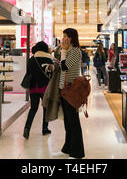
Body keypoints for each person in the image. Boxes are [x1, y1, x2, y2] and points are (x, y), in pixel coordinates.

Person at [54, 28, 85, 159]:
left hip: (71, 89)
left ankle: (77, 152)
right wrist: (62, 50)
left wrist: (64, 52)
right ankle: (68, 147)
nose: (63, 38)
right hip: (64, 89)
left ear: (71, 38)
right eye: (63, 36)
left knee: (73, 121)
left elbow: (64, 66)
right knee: (67, 121)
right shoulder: (67, 50)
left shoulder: (75, 51)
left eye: (66, 36)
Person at [23, 41, 54, 139]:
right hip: (44, 87)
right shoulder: (49, 59)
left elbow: (28, 72)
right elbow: (51, 73)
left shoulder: (32, 59)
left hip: (33, 87)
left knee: (33, 109)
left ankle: (27, 128)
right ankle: (45, 129)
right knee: (46, 108)